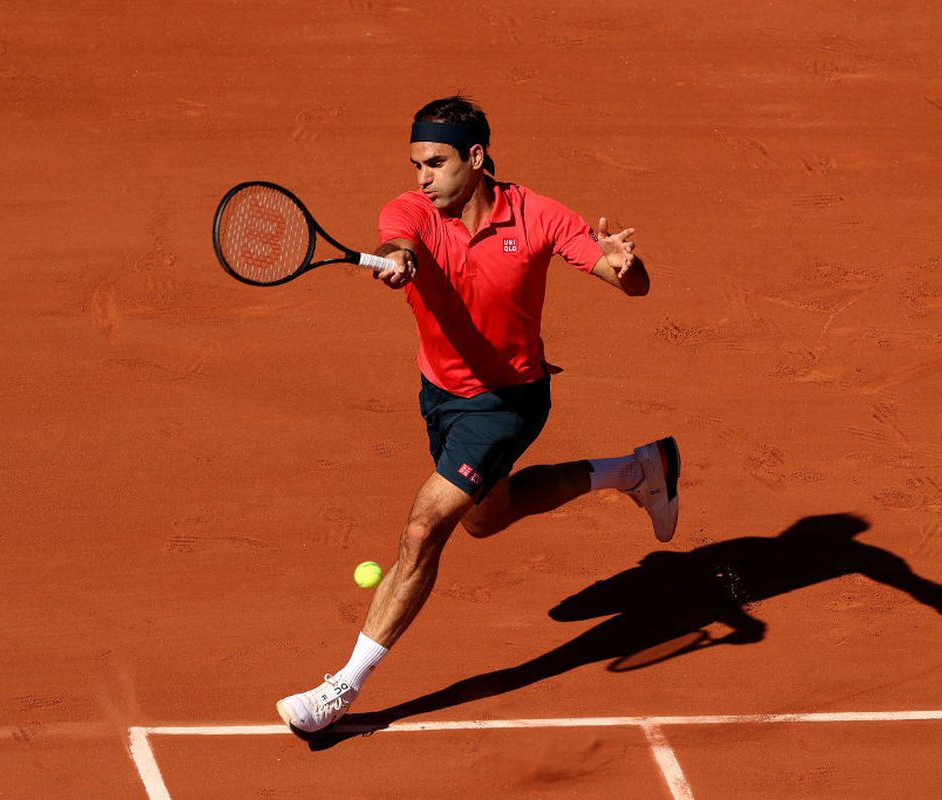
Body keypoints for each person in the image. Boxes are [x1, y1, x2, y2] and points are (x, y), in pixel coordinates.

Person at [276, 96, 680, 734]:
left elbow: (631, 284)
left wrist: (629, 265)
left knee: (424, 528)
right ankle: (636, 471)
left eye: (435, 163)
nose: (422, 178)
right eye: (415, 164)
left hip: (508, 403)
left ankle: (341, 689)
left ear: (476, 157)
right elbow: (398, 235)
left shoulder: (541, 217)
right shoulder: (413, 210)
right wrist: (400, 256)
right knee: (487, 519)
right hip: (439, 395)